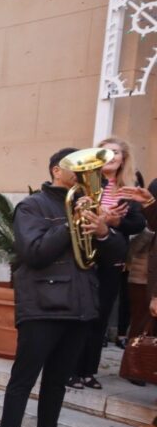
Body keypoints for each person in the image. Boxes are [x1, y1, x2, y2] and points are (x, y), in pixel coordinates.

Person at [0, 148, 126, 427]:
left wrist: (103, 232)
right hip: (42, 305)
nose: (85, 175)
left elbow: (117, 255)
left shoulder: (89, 205)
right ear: (56, 171)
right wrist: (72, 224)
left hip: (80, 305)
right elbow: (33, 253)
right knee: (22, 381)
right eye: (78, 169)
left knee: (57, 383)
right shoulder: (32, 206)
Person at [67, 137, 145, 389]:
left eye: (117, 153)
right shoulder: (82, 182)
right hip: (82, 252)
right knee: (79, 313)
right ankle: (70, 369)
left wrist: (114, 223)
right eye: (107, 152)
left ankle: (89, 371)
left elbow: (138, 224)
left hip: (112, 256)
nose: (111, 156)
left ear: (124, 159)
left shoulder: (130, 187)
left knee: (100, 315)